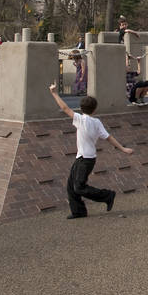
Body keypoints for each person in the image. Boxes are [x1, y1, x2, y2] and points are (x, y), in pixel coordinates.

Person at [48, 83, 133, 219]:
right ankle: (78, 212)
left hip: (85, 160)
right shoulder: (97, 122)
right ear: (95, 110)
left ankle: (107, 195)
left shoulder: (80, 119)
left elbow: (64, 107)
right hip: (83, 158)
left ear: (81, 108)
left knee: (79, 187)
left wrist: (54, 93)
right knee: (71, 186)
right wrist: (123, 148)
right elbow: (109, 137)